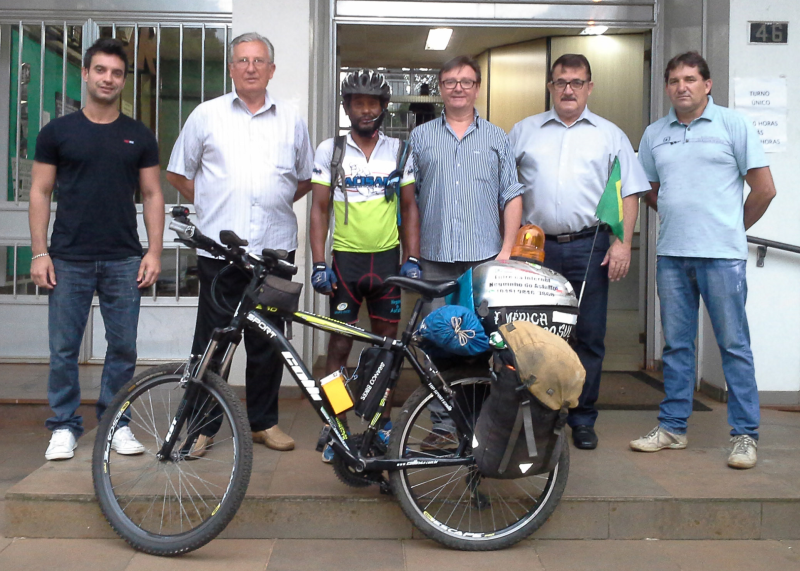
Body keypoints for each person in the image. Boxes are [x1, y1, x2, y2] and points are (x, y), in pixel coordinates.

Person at [167, 32, 313, 454]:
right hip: (220, 252)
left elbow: (303, 178)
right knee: (212, 341)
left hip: (274, 251)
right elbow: (178, 172)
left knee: (267, 340)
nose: (250, 67)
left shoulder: (291, 119)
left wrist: (275, 199)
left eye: (258, 60)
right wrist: (211, 202)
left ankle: (263, 423)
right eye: (242, 60)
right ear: (231, 68)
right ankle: (202, 425)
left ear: (271, 69)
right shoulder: (206, 115)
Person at [630, 52, 776, 469]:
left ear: (707, 84)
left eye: (691, 79)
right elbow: (649, 189)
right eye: (674, 80)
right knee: (677, 347)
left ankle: (745, 435)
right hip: (672, 256)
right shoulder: (655, 133)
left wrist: (732, 226)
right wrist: (677, 212)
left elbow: (764, 189)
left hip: (722, 258)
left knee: (733, 346)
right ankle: (673, 428)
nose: (682, 86)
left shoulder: (734, 125)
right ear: (667, 87)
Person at [29, 38, 164, 460]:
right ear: (85, 74)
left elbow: (153, 194)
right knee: (64, 348)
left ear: (124, 80)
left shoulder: (138, 135)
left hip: (124, 258)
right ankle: (64, 426)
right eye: (100, 70)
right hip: (67, 258)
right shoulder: (57, 133)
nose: (108, 78)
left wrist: (154, 252)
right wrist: (39, 252)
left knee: (123, 348)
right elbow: (39, 190)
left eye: (117, 73)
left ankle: (116, 424)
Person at [509, 54, 650, 450]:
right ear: (550, 87)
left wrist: (622, 242)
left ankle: (583, 418)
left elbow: (629, 192)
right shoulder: (523, 132)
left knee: (588, 335)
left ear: (590, 87)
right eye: (560, 82)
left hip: (590, 246)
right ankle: (538, 415)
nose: (568, 89)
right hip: (533, 249)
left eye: (576, 82)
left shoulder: (610, 135)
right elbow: (504, 190)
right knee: (534, 335)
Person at [409, 55, 524, 448]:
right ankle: (443, 424)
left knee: (483, 344)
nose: (458, 87)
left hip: (484, 262)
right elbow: (408, 200)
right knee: (439, 340)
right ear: (440, 88)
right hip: (435, 261)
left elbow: (511, 196)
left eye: (466, 81)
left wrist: (507, 251)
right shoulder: (421, 137)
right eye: (450, 81)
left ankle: (480, 424)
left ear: (477, 87)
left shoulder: (497, 138)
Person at [309, 69, 421, 462]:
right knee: (338, 347)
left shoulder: (400, 151)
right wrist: (319, 262)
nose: (367, 110)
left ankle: (383, 424)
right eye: (359, 102)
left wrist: (412, 259)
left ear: (384, 108)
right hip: (346, 266)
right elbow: (319, 208)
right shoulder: (331, 150)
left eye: (373, 103)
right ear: (347, 107)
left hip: (388, 265)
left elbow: (409, 207)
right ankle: (336, 422)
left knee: (387, 351)